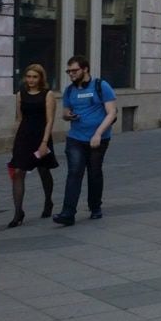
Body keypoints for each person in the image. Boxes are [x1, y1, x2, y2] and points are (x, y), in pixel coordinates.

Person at [53, 56, 117, 226]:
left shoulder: (100, 86)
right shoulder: (69, 91)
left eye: (74, 70)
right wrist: (67, 116)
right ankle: (68, 213)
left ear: (85, 69)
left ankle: (95, 206)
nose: (71, 74)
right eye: (69, 71)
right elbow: (65, 113)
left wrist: (98, 133)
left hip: (98, 138)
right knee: (74, 173)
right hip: (76, 138)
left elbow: (111, 112)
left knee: (94, 172)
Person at [7, 64, 59, 228]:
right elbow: (20, 118)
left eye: (34, 77)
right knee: (17, 172)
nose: (31, 80)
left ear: (40, 78)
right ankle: (18, 212)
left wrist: (44, 142)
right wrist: (15, 140)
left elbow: (50, 120)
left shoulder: (47, 94)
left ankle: (48, 201)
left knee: (43, 170)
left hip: (41, 136)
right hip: (24, 137)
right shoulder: (20, 94)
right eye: (28, 76)